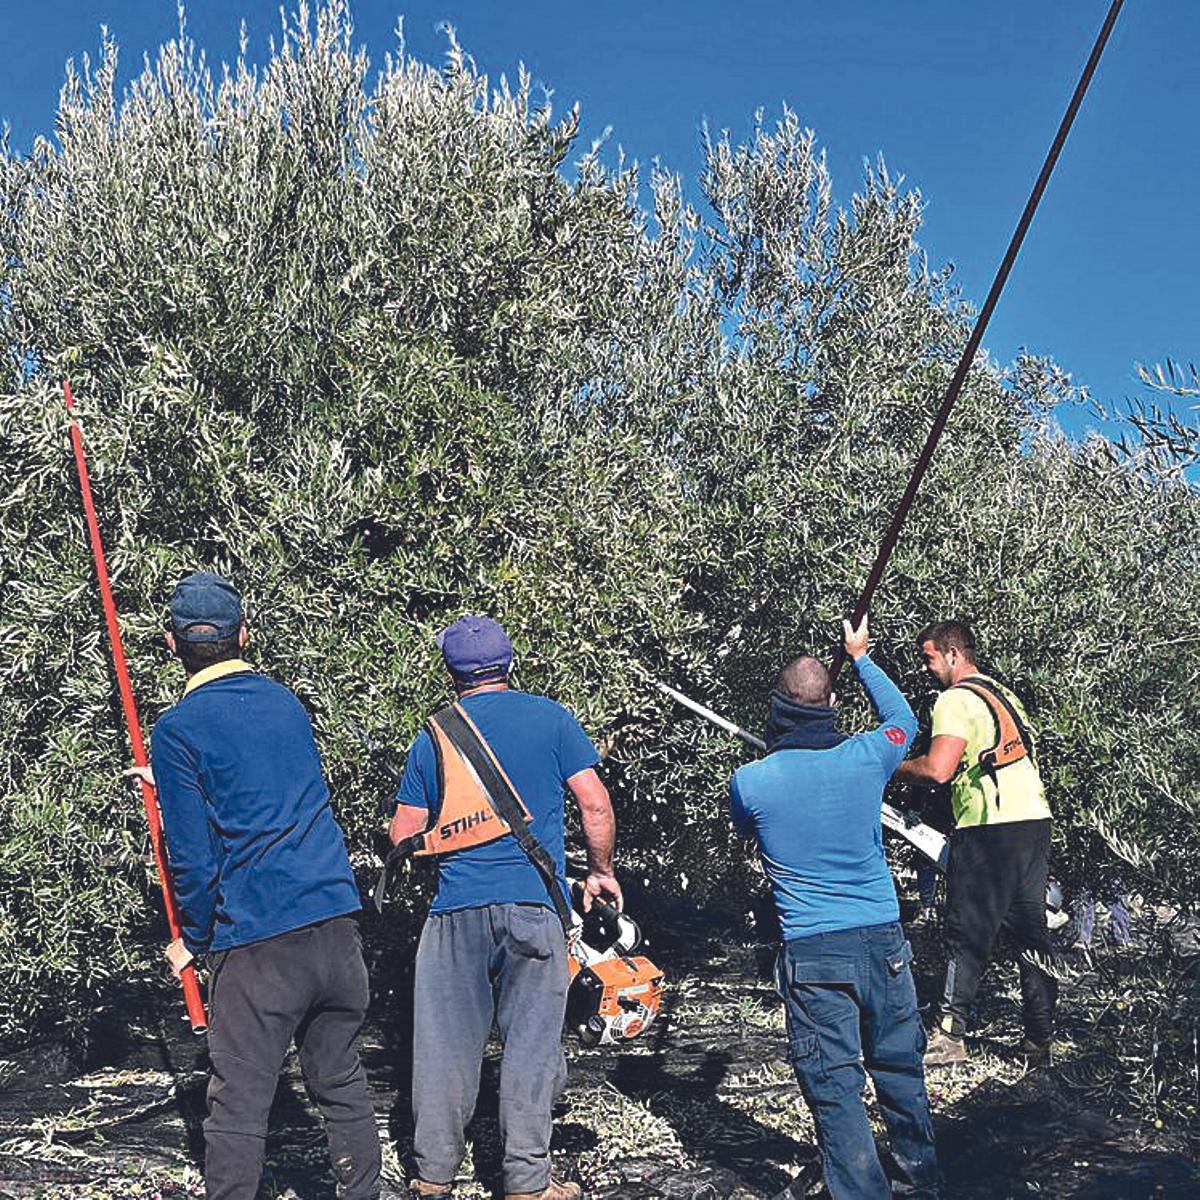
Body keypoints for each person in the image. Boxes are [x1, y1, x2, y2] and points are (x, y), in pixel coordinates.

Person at [131, 572, 381, 1200]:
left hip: (260, 938)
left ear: (170, 643)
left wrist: (195, 935)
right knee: (341, 1082)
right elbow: (262, 785)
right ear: (245, 635)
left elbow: (191, 854)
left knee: (238, 1103)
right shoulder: (287, 704)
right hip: (335, 921)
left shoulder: (178, 730)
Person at [391, 615, 621, 1200]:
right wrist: (599, 873)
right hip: (532, 910)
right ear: (510, 663)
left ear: (452, 674)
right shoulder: (551, 718)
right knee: (532, 1047)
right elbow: (594, 805)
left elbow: (402, 836)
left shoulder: (434, 735)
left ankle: (432, 1176)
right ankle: (526, 1182)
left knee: (442, 1048)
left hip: (453, 914)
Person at [729, 617, 940, 1200]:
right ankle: (921, 1184)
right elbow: (904, 722)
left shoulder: (750, 781)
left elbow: (749, 824)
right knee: (900, 1068)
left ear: (776, 708)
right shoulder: (868, 757)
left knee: (835, 1084)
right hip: (881, 941)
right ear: (833, 703)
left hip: (814, 953)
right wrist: (862, 655)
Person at [894, 620, 1057, 1068]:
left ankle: (950, 1037)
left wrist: (893, 768)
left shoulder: (955, 699)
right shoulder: (1004, 695)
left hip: (989, 826)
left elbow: (939, 769)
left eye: (929, 658)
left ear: (952, 654)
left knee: (967, 932)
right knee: (1030, 932)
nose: (927, 668)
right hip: (1032, 822)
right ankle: (1039, 1039)